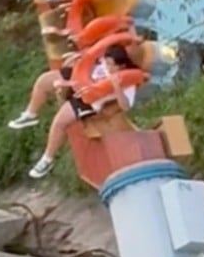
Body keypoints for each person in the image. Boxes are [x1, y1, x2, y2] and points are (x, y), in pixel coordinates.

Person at [15, 44, 140, 179]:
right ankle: (30, 114)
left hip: (88, 100)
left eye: (111, 65)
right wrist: (78, 58)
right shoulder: (103, 63)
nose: (107, 66)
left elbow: (126, 106)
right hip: (79, 80)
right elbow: (89, 60)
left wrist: (117, 87)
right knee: (43, 81)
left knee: (59, 122)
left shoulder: (127, 81)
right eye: (106, 62)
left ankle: (47, 159)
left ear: (120, 66)